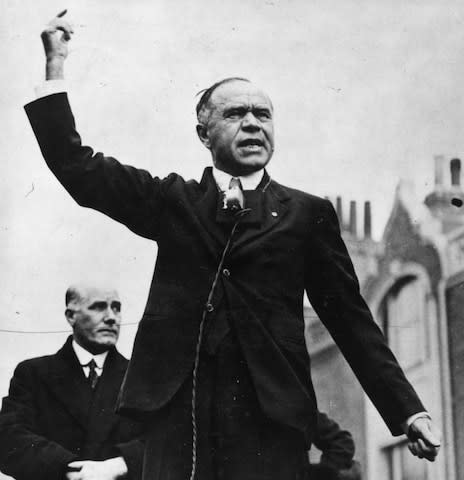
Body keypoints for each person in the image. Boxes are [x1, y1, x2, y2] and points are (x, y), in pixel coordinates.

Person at [24, 11, 441, 480]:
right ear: (204, 133)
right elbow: (78, 168)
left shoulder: (307, 214)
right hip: (178, 420)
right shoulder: (172, 201)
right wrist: (54, 66)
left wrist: (406, 410)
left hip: (270, 420)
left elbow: (350, 318)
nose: (252, 124)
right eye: (235, 114)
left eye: (262, 114)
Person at [0, 285, 144, 480]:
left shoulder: (140, 378)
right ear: (70, 316)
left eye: (117, 308)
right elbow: (8, 439)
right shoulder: (33, 374)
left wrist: (120, 465)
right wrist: (71, 469)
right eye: (98, 307)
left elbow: (165, 441)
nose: (112, 317)